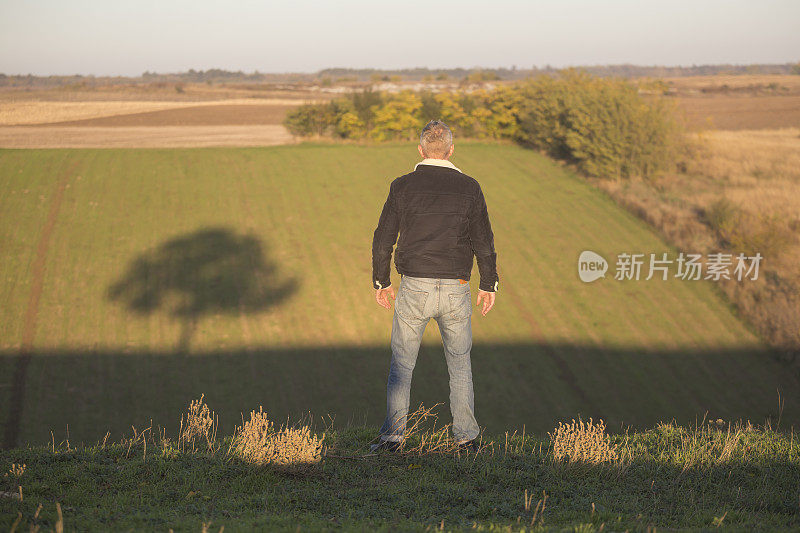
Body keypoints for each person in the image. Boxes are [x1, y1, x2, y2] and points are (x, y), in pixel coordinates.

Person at [370, 120, 499, 453]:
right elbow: (483, 240)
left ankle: (392, 439)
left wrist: (381, 281)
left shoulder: (402, 186)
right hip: (457, 287)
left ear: (421, 149)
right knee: (460, 365)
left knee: (402, 364)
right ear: (452, 149)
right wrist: (488, 283)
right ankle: (467, 439)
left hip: (414, 287)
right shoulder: (471, 187)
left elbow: (383, 238)